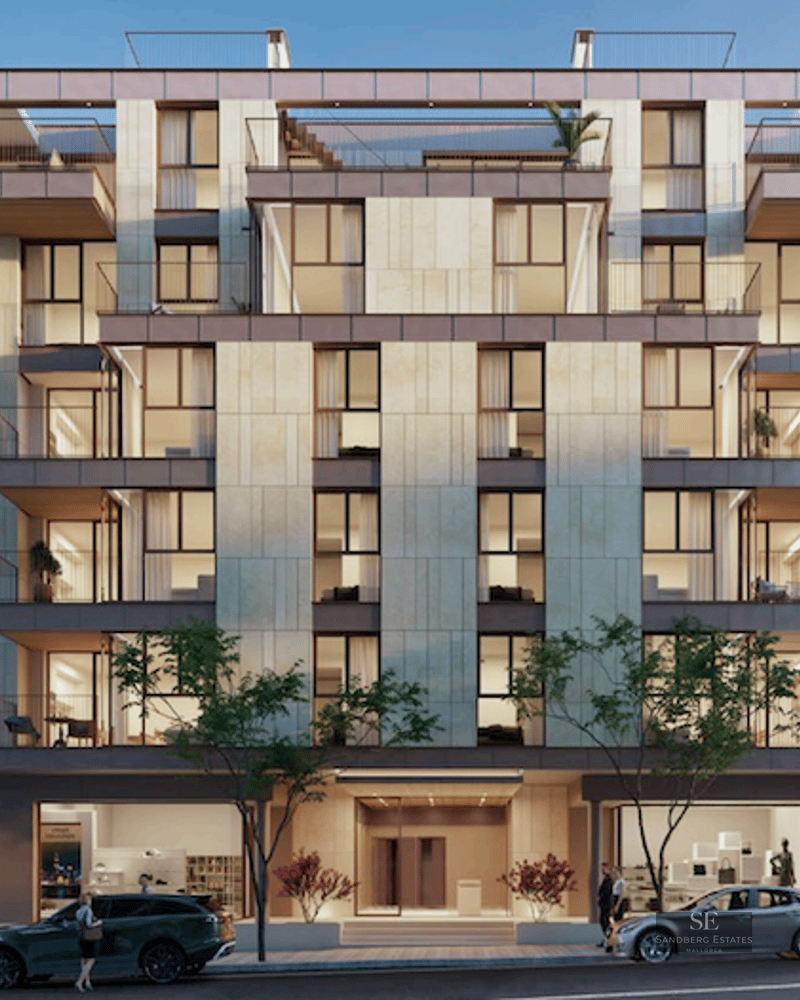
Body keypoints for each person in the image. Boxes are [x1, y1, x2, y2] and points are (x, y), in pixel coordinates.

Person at [75, 891, 102, 993]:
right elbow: (89, 924)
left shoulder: (78, 911)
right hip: (89, 937)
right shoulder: (88, 911)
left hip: (81, 937)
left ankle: (87, 982)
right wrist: (98, 923)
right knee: (91, 959)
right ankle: (80, 981)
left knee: (84, 959)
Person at [597, 862, 614, 947]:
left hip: (606, 904)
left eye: (603, 868)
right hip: (604, 903)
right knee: (603, 921)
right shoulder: (606, 879)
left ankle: (608, 939)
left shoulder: (609, 880)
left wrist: (601, 896)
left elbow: (606, 892)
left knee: (605, 921)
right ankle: (606, 939)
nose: (602, 870)